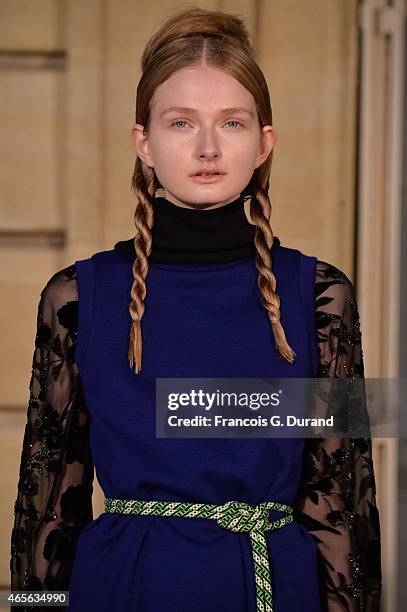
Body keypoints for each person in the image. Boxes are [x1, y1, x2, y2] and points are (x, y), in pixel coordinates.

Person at [10, 6, 382, 612]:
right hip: (123, 589)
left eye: (231, 123)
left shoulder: (319, 297)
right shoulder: (77, 297)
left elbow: (339, 498)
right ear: (145, 143)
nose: (208, 147)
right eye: (181, 123)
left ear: (264, 144)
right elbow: (51, 506)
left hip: (269, 587)